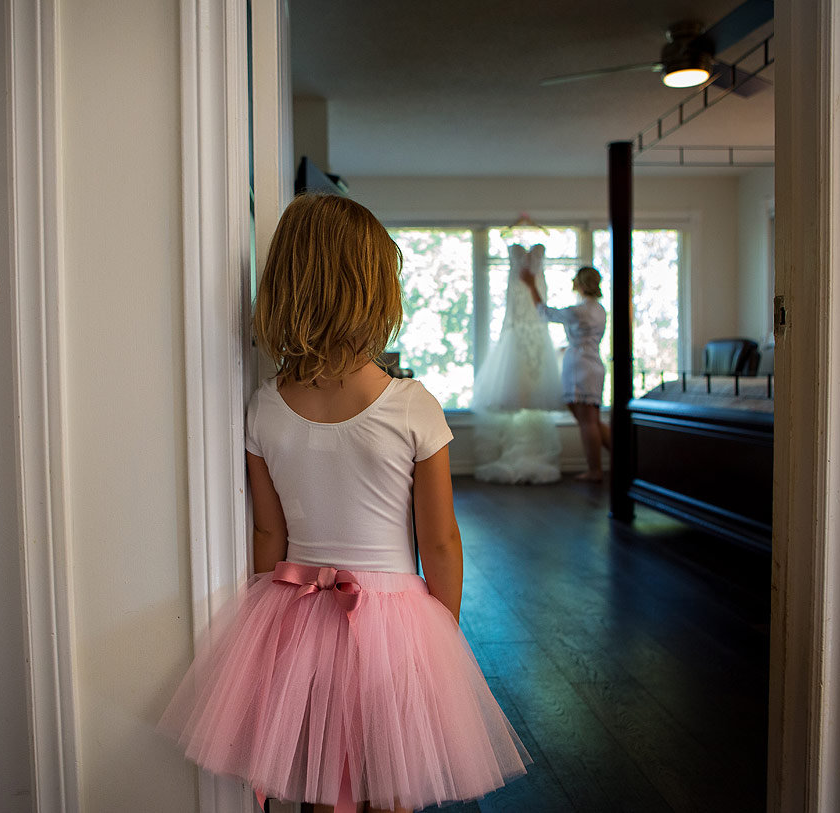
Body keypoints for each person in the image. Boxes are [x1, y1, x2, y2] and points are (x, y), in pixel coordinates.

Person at [158, 193, 532, 813]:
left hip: (296, 611)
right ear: (373, 293)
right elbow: (441, 542)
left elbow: (269, 536)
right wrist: (442, 639)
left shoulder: (264, 407)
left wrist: (270, 630)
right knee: (390, 781)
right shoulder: (413, 405)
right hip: (395, 622)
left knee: (317, 780)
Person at [519, 264, 612, 482]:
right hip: (594, 363)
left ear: (580, 283)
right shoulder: (599, 310)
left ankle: (595, 470)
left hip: (580, 365)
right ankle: (626, 462)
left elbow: (544, 312)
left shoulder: (578, 311)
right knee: (592, 419)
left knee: (587, 420)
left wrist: (532, 285)